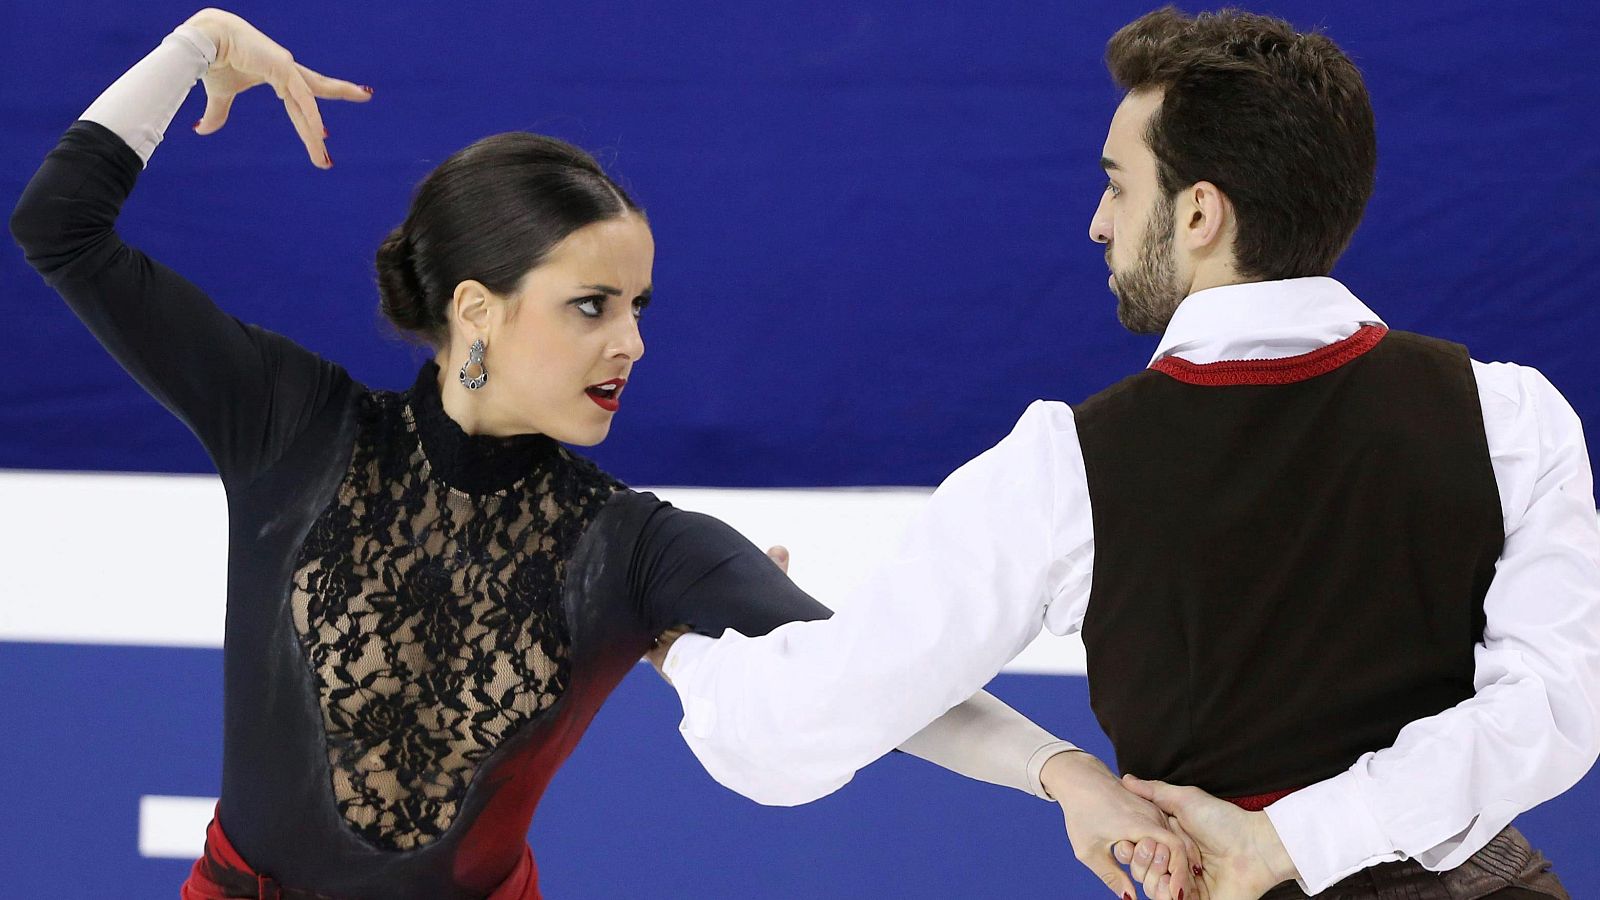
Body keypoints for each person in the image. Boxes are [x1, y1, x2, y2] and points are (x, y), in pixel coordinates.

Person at [8, 9, 1201, 899]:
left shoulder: (632, 544)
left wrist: (1069, 780)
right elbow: (58, 223)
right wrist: (194, 46)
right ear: (477, 308)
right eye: (591, 305)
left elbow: (876, 678)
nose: (629, 343)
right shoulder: (291, 427)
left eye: (638, 307)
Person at [651, 7, 1600, 900]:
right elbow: (1553, 713)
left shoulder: (1066, 472)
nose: (1099, 224)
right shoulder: (1510, 415)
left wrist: (682, 644)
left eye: (1116, 184)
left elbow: (795, 732)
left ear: (1198, 215)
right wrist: (1287, 837)